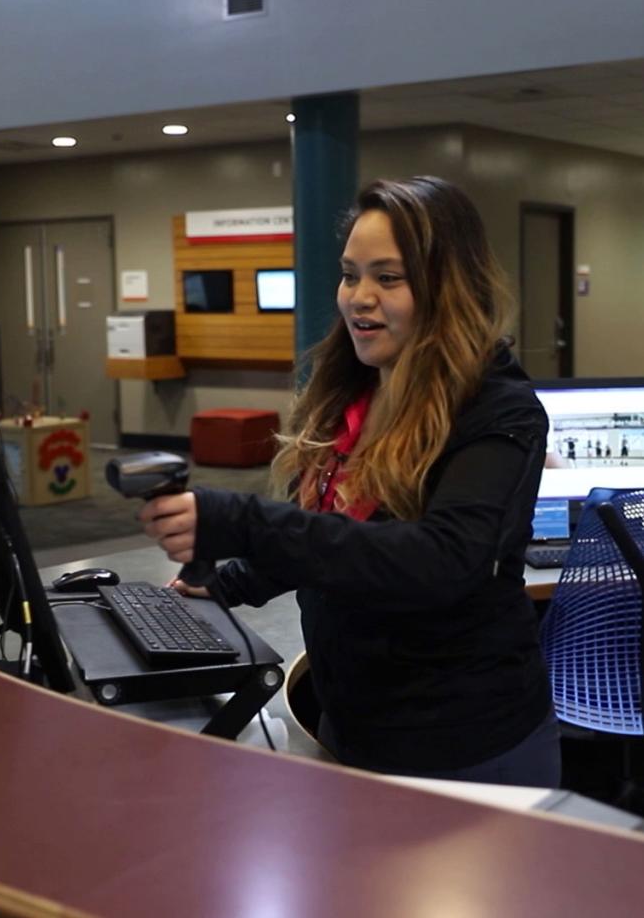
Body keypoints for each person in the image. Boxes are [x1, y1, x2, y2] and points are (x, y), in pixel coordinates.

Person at [141, 176, 560, 787]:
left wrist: (244, 523)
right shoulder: (359, 390)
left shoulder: (500, 411)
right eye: (349, 274)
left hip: (463, 747)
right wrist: (233, 581)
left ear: (448, 285)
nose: (359, 297)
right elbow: (337, 531)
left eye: (388, 278)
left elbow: (439, 562)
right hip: (357, 723)